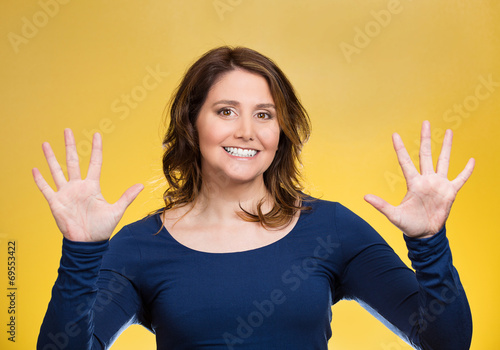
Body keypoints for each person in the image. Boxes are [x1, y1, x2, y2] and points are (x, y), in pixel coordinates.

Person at [34, 47, 474, 350]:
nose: (246, 130)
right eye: (226, 111)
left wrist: (430, 243)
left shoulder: (332, 230)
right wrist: (82, 253)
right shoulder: (138, 247)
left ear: (280, 133)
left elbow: (446, 341)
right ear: (192, 123)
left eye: (264, 115)